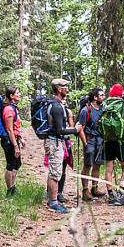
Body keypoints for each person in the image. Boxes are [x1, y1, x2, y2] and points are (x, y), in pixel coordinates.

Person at [44, 78, 79, 213]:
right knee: (55, 172)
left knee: (54, 170)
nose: (67, 90)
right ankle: (53, 203)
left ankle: (51, 199)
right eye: (65, 87)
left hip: (53, 140)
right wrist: (75, 130)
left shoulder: (53, 104)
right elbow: (60, 130)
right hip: (54, 141)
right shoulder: (57, 106)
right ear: (59, 89)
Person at [76, 87, 106, 201]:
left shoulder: (103, 110)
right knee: (87, 165)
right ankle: (85, 190)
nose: (103, 97)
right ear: (95, 97)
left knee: (97, 165)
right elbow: (80, 128)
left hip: (100, 141)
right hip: (90, 140)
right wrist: (85, 143)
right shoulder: (86, 110)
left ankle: (95, 188)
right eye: (101, 95)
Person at [0, 86, 24, 198]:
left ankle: (12, 187)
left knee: (17, 164)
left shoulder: (14, 108)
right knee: (10, 164)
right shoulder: (9, 109)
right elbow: (9, 129)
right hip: (9, 141)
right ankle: (9, 190)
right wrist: (15, 146)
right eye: (17, 93)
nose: (19, 95)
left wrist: (21, 138)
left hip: (14, 139)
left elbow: (15, 127)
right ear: (11, 96)